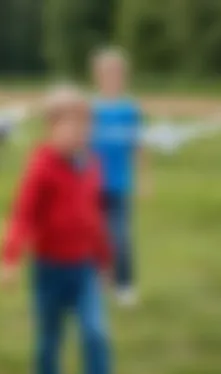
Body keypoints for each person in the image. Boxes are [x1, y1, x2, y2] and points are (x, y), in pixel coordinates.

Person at [0, 87, 113, 374]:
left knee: (96, 333)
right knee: (49, 340)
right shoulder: (40, 167)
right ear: (51, 128)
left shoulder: (92, 165)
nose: (80, 133)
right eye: (71, 126)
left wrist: (104, 261)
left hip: (84, 268)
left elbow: (94, 219)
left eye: (86, 126)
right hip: (48, 269)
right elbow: (22, 215)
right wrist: (10, 258)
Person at [90, 47, 151, 306]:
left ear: (124, 76)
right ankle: (101, 281)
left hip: (118, 184)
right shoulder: (90, 108)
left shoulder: (130, 110)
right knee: (94, 235)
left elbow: (139, 146)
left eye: (116, 73)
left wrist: (144, 178)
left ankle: (125, 285)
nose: (111, 78)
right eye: (106, 73)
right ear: (97, 76)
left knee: (121, 236)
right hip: (91, 185)